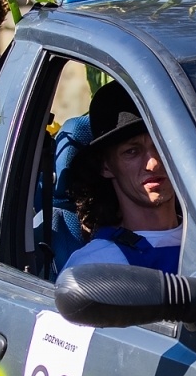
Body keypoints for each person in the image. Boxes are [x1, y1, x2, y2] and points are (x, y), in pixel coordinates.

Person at [61, 81, 182, 274]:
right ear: (105, 166)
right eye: (132, 151)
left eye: (161, 146)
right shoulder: (95, 267)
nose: (154, 164)